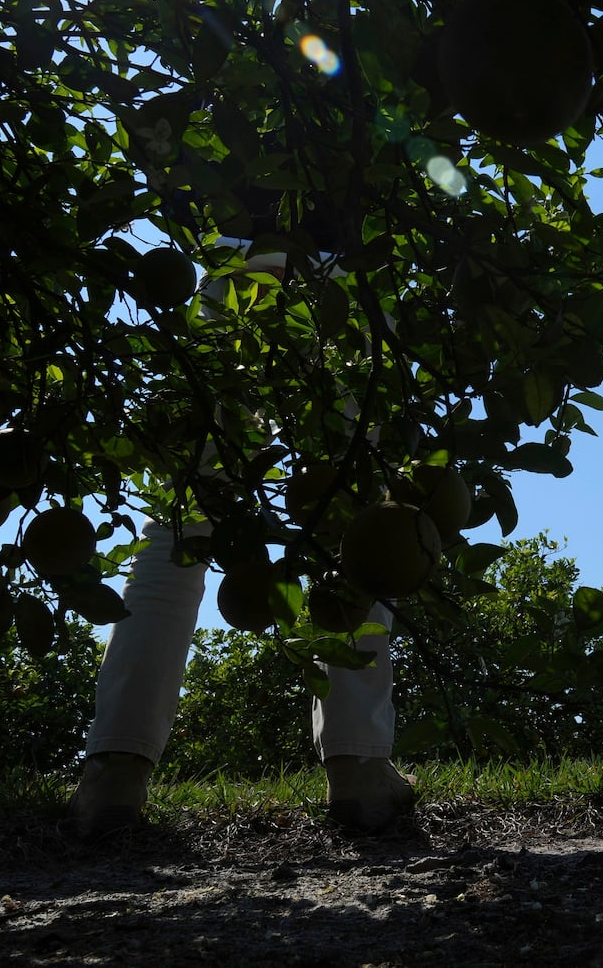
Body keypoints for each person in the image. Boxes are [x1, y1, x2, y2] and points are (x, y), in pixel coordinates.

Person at [68, 241, 414, 837]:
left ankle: (115, 771)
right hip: (331, 274)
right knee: (355, 524)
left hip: (233, 270)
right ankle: (358, 767)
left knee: (184, 519)